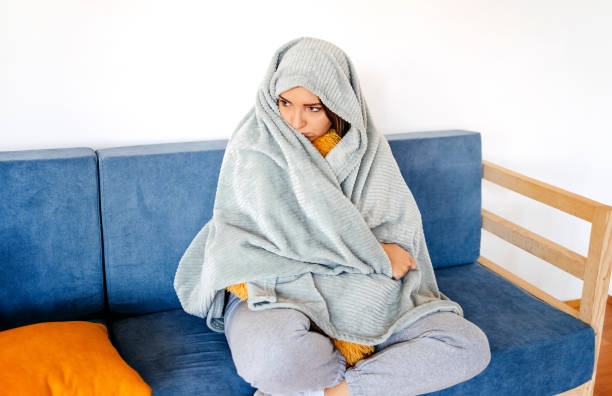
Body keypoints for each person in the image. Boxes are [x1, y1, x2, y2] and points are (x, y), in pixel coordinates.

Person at [174, 37, 491, 396]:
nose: (295, 120)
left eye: (313, 107)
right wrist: (372, 253)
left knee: (468, 346)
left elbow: (399, 234)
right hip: (270, 281)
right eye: (285, 103)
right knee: (269, 359)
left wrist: (375, 257)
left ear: (339, 105)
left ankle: (336, 390)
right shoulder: (253, 145)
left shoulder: (367, 151)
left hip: (361, 285)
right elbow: (251, 235)